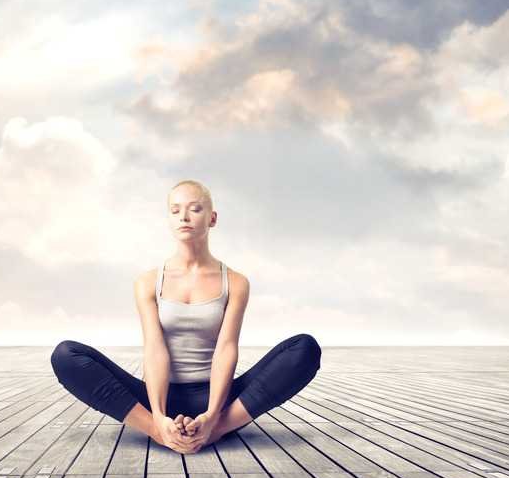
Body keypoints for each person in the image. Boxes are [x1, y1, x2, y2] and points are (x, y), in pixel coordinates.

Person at [50, 180, 321, 454]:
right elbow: (155, 349)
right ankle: (159, 433)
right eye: (175, 210)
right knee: (66, 356)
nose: (184, 216)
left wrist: (213, 414)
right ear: (168, 219)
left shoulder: (236, 282)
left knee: (304, 349)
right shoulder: (147, 282)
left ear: (212, 218)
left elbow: (226, 349)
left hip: (219, 397)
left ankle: (216, 429)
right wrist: (157, 416)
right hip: (159, 396)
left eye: (195, 208)